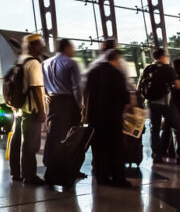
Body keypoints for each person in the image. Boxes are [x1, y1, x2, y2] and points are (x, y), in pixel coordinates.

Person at [85, 49, 131, 186]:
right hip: (112, 117)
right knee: (115, 148)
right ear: (116, 59)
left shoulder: (92, 72)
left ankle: (101, 176)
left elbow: (86, 93)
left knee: (98, 148)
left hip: (94, 117)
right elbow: (125, 97)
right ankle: (118, 178)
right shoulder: (116, 73)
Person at [8, 34, 47, 186]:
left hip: (19, 109)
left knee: (17, 141)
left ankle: (16, 172)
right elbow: (36, 88)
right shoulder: (33, 63)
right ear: (31, 46)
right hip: (31, 110)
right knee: (31, 144)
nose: (42, 47)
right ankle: (29, 175)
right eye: (39, 44)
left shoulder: (19, 61)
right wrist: (42, 110)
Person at [42, 39, 82, 168]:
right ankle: (69, 166)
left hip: (52, 102)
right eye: (72, 47)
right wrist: (80, 106)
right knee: (71, 135)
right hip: (67, 102)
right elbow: (76, 88)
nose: (73, 50)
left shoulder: (45, 63)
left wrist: (47, 95)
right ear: (66, 48)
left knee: (53, 133)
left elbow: (42, 84)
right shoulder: (71, 63)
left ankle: (49, 162)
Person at [137, 48, 180, 163]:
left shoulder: (147, 68)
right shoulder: (168, 69)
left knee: (154, 129)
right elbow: (178, 85)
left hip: (151, 103)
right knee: (178, 127)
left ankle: (157, 156)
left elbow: (139, 86)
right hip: (165, 103)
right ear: (162, 57)